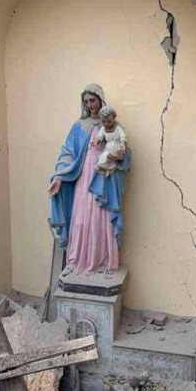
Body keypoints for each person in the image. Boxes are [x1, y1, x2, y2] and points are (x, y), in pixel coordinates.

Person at [48, 84, 131, 273]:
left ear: (100, 100)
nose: (90, 105)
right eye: (86, 101)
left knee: (102, 219)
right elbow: (68, 153)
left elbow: (125, 152)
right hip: (84, 174)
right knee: (81, 219)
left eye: (92, 100)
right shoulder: (78, 126)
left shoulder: (112, 124)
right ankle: (76, 260)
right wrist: (59, 177)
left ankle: (104, 260)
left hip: (105, 176)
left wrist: (120, 156)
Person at [93, 105, 127, 177]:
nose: (106, 124)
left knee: (108, 155)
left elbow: (122, 136)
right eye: (103, 121)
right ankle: (107, 169)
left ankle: (109, 166)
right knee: (102, 156)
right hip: (108, 147)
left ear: (114, 118)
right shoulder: (103, 129)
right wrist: (98, 140)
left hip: (116, 147)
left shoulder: (117, 128)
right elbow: (100, 136)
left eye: (109, 121)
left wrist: (123, 143)